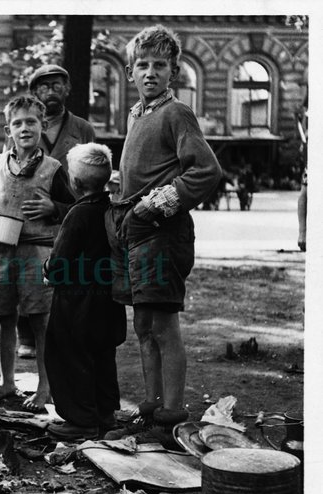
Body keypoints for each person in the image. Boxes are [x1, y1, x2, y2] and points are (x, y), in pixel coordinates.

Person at [103, 25, 221, 449]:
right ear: (130, 72)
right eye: (142, 65)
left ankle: (170, 418)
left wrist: (157, 202)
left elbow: (206, 171)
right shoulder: (137, 114)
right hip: (136, 235)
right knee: (144, 325)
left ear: (174, 71)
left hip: (164, 235)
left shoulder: (177, 113)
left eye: (159, 65)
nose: (150, 72)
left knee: (164, 325)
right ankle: (151, 410)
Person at [0, 94, 74, 411]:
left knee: (41, 321)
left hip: (36, 253)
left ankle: (45, 387)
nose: (24, 128)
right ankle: (7, 382)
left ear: (43, 126)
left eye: (31, 122)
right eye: (17, 123)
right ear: (8, 130)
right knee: (5, 318)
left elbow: (75, 210)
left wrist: (53, 208)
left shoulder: (54, 169)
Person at [44, 143, 127, 440]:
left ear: (75, 182)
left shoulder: (78, 213)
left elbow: (59, 262)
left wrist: (47, 270)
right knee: (102, 356)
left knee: (69, 356)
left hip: (76, 302)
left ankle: (81, 421)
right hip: (108, 299)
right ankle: (105, 416)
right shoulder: (112, 208)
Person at [14, 64, 97, 360]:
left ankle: (65, 334)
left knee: (68, 274)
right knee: (28, 272)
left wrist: (58, 207)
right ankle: (26, 335)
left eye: (57, 85)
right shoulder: (24, 125)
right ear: (34, 92)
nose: (51, 91)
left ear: (67, 89)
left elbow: (91, 178)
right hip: (30, 214)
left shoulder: (83, 129)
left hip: (69, 214)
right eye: (44, 86)